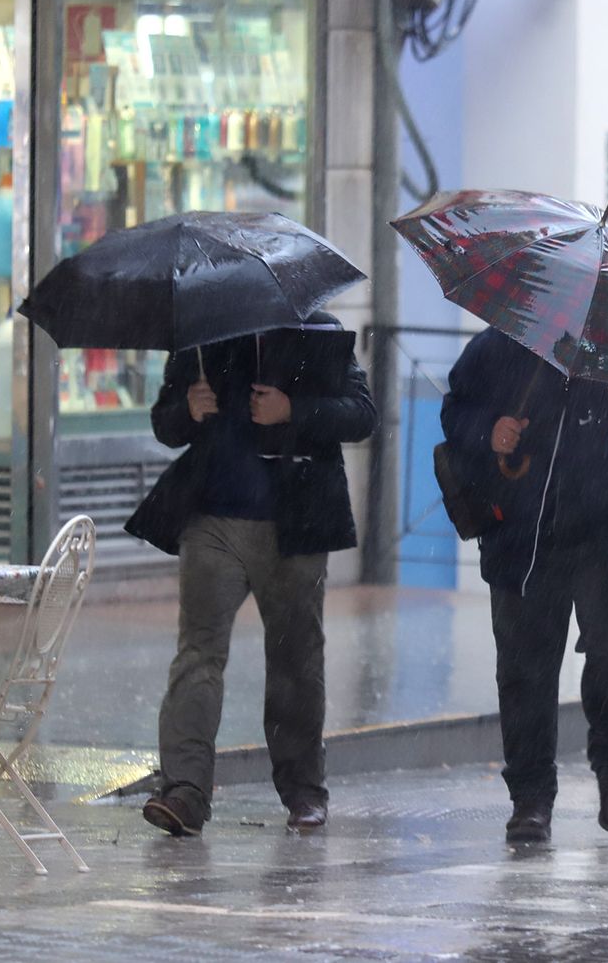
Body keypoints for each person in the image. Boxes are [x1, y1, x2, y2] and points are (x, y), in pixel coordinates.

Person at [439, 328, 608, 844]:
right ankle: (531, 797)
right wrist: (490, 430)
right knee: (524, 667)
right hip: (522, 533)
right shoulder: (499, 347)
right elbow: (456, 412)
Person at [129, 313, 376, 836]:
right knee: (198, 653)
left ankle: (304, 791)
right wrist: (189, 411)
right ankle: (185, 791)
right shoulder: (206, 335)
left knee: (295, 659)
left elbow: (361, 415)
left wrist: (294, 411)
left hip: (297, 523)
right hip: (213, 520)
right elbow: (163, 422)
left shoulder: (322, 336)